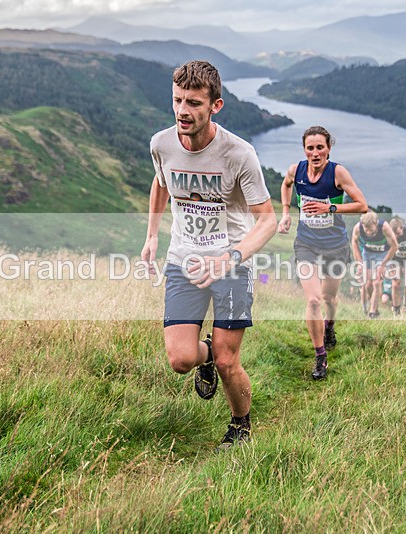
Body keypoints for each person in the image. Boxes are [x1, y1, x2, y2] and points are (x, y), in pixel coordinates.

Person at [141, 61, 277, 451]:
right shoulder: (161, 143)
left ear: (215, 105)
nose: (183, 110)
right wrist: (152, 236)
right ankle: (203, 358)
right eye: (177, 100)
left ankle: (240, 425)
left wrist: (231, 257)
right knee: (180, 358)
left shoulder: (239, 154)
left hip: (231, 264)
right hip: (184, 260)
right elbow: (160, 181)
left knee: (227, 360)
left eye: (194, 103)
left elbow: (267, 221)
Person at [277, 126, 368, 380]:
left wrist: (329, 209)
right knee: (314, 300)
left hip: (335, 246)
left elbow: (362, 205)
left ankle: (329, 327)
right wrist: (285, 213)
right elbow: (286, 185)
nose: (315, 153)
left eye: (320, 147)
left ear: (329, 148)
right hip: (306, 243)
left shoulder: (337, 172)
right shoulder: (297, 170)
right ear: (304, 149)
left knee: (329, 298)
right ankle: (320, 357)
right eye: (310, 148)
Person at [350, 210, 398, 319]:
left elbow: (394, 246)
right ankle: (374, 306)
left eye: (371, 230)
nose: (368, 233)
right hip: (368, 253)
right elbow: (354, 243)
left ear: (376, 224)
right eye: (366, 230)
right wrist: (359, 263)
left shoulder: (384, 227)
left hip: (383, 254)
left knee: (377, 282)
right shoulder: (358, 228)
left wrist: (383, 265)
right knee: (368, 285)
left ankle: (372, 311)